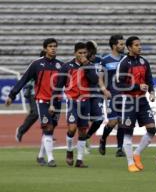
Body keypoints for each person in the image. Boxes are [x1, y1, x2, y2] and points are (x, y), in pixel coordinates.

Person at [6, 38, 63, 167]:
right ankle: (51, 159)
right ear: (44, 49)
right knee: (47, 127)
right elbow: (24, 79)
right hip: (42, 100)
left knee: (51, 128)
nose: (53, 48)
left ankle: (40, 156)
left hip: (57, 101)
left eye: (55, 46)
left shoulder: (61, 65)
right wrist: (12, 95)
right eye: (50, 46)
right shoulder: (36, 64)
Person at [50, 42, 98, 168]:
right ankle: (69, 151)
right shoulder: (66, 67)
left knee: (83, 132)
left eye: (84, 53)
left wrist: (87, 65)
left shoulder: (90, 66)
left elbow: (94, 80)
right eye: (80, 53)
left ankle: (80, 159)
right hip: (72, 101)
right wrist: (52, 103)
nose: (82, 55)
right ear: (74, 53)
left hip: (85, 101)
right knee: (72, 128)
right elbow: (58, 86)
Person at [115, 36, 156, 172]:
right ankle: (130, 163)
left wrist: (152, 91)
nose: (140, 47)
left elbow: (149, 78)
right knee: (128, 132)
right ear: (129, 47)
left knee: (152, 129)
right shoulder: (124, 63)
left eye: (140, 44)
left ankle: (137, 153)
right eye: (137, 45)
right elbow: (119, 84)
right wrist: (138, 86)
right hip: (129, 101)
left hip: (142, 101)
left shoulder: (144, 61)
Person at [97, 35, 126, 157]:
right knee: (113, 122)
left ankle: (119, 148)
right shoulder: (105, 60)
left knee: (122, 122)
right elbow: (100, 79)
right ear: (114, 46)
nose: (123, 46)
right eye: (121, 44)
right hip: (111, 95)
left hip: (124, 95)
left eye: (123, 44)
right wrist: (104, 91)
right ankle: (103, 139)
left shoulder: (125, 59)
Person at [15, 51, 46, 142]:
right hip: (33, 93)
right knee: (36, 113)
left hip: (45, 94)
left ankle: (47, 135)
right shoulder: (36, 65)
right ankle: (21, 130)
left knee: (44, 114)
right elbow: (26, 78)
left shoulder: (52, 65)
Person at [83, 40, 104, 155]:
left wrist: (104, 89)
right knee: (84, 120)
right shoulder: (82, 61)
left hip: (97, 93)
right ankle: (85, 144)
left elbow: (102, 76)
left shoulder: (100, 61)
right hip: (84, 93)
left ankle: (87, 136)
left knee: (99, 119)